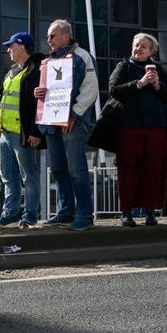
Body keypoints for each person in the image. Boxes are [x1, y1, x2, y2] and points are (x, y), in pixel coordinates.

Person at [88, 33, 167, 227]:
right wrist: (140, 83)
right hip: (129, 128)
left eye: (143, 46)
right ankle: (127, 213)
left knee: (153, 170)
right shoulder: (124, 66)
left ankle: (150, 212)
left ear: (151, 51)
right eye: (136, 45)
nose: (138, 49)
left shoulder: (158, 69)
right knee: (128, 171)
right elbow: (114, 89)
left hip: (155, 128)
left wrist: (157, 85)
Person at [34, 19, 99, 231]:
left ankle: (85, 215)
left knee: (76, 169)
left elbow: (91, 89)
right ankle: (66, 211)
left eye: (52, 36)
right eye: (48, 36)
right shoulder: (48, 61)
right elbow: (46, 91)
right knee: (59, 169)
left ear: (66, 36)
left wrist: (74, 114)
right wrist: (38, 92)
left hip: (73, 123)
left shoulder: (82, 56)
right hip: (52, 123)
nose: (48, 40)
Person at [0, 32, 46, 228]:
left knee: (28, 177)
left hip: (22, 134)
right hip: (5, 133)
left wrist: (36, 131)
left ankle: (30, 216)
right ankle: (9, 214)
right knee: (8, 177)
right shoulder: (11, 72)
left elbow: (38, 104)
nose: (8, 50)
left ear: (22, 47)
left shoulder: (35, 70)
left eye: (11, 46)